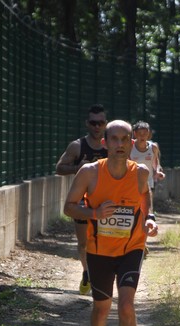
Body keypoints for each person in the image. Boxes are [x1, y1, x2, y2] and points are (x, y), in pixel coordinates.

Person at [63, 120, 158, 326]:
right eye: (114, 139)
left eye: (124, 139)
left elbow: (145, 195)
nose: (119, 144)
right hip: (98, 250)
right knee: (101, 308)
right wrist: (94, 214)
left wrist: (149, 218)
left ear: (131, 143)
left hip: (132, 246)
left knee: (127, 305)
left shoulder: (139, 172)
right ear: (105, 143)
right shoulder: (89, 173)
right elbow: (69, 207)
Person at [56, 103, 108, 294]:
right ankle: (87, 272)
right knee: (84, 242)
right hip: (82, 201)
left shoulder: (112, 146)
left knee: (105, 240)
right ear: (87, 123)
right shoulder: (77, 146)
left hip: (106, 201)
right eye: (93, 123)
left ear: (105, 124)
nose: (97, 126)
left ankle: (102, 275)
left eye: (100, 123)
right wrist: (78, 168)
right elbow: (59, 168)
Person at [130, 120, 165, 211]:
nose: (142, 136)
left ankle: (148, 221)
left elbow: (156, 162)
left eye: (145, 133)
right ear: (135, 133)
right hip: (132, 182)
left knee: (147, 208)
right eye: (140, 133)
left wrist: (157, 171)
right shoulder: (130, 146)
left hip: (148, 181)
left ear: (148, 134)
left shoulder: (153, 147)